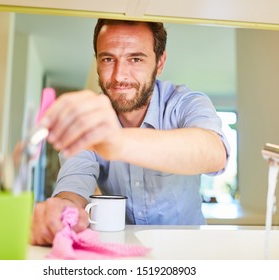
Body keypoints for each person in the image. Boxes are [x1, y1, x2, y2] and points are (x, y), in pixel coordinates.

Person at [30, 19, 230, 246]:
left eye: (135, 59)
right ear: (97, 62)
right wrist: (59, 211)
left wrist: (118, 142)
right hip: (119, 255)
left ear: (160, 62)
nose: (119, 76)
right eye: (108, 59)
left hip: (187, 250)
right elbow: (72, 190)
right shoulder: (89, 120)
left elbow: (214, 153)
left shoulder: (186, 103)